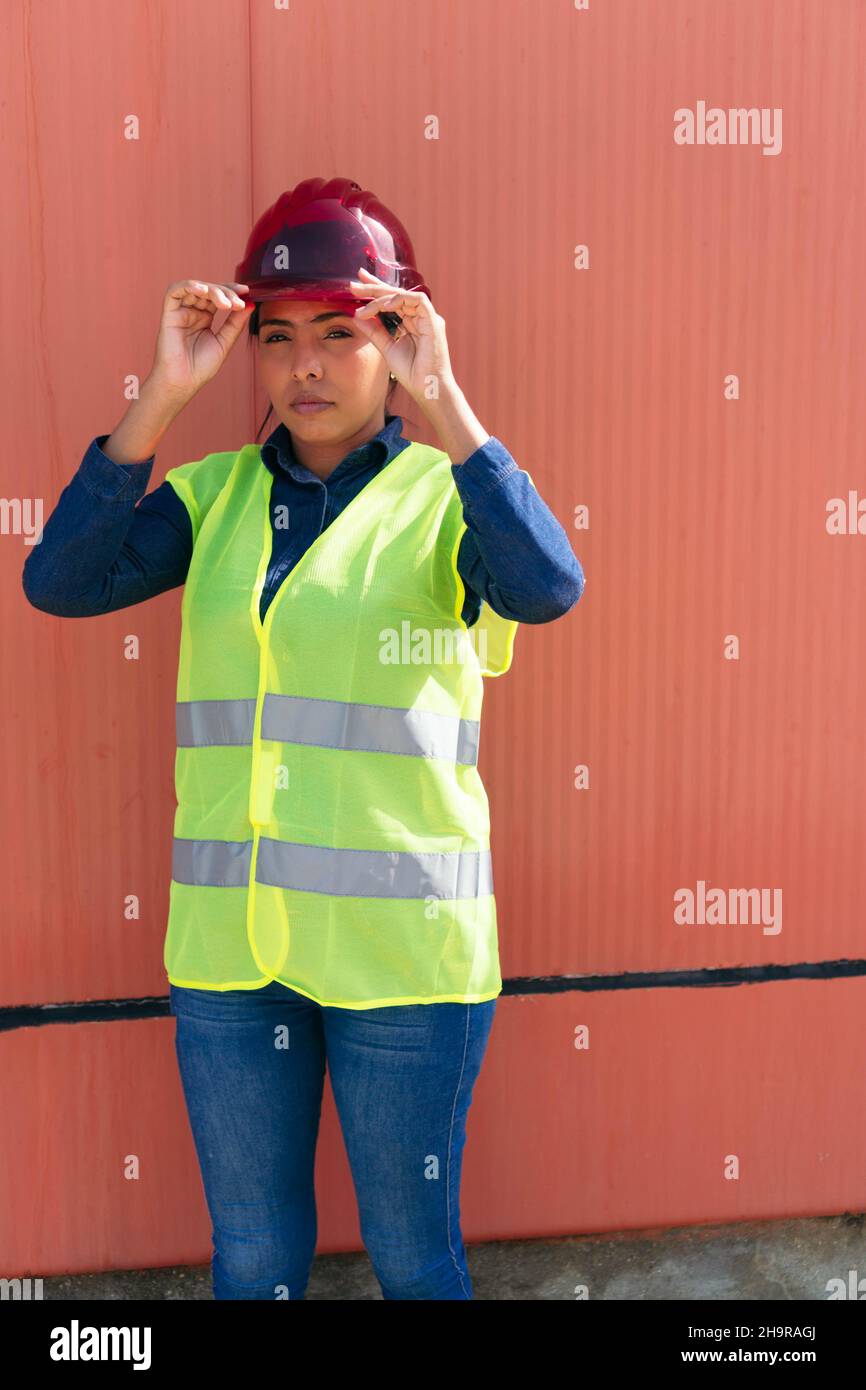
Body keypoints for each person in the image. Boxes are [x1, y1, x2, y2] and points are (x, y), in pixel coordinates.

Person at [22, 180, 585, 1300]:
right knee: (256, 1257)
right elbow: (61, 580)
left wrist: (450, 411)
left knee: (412, 1259)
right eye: (276, 340)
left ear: (396, 344)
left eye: (341, 334)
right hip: (234, 956)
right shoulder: (215, 494)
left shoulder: (443, 499)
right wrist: (162, 395)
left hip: (404, 960)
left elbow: (545, 585)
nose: (305, 369)